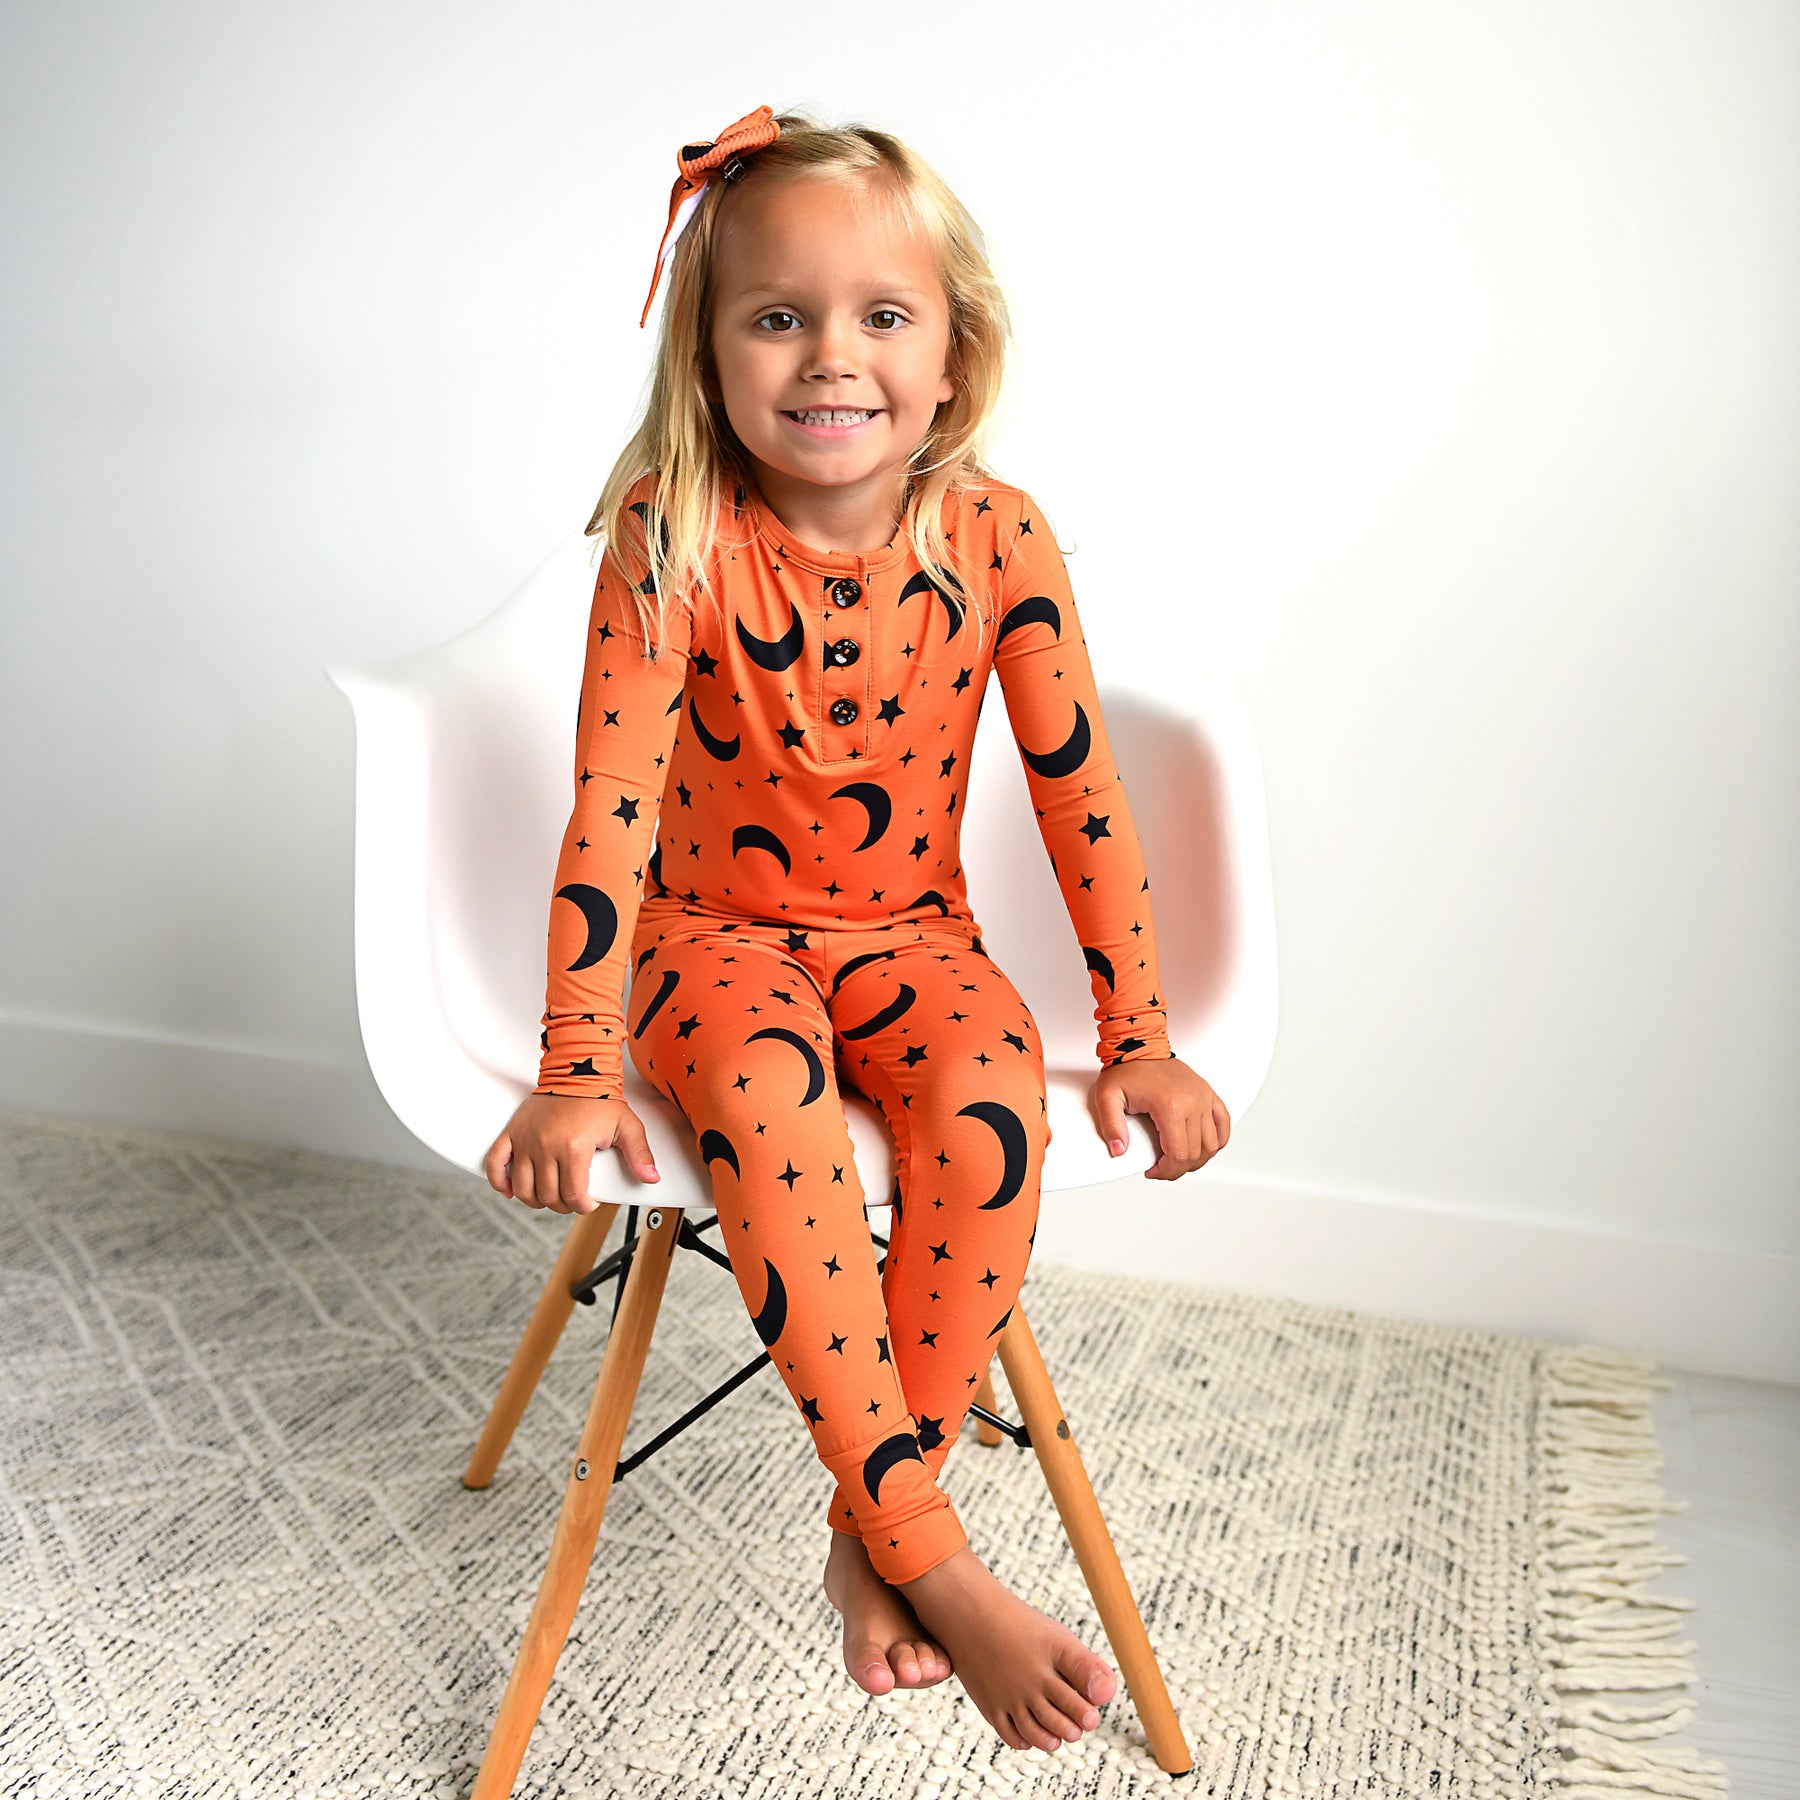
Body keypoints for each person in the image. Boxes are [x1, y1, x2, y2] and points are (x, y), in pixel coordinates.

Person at [483, 104, 1231, 1758]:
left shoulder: (998, 538)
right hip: (706, 939)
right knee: (771, 1103)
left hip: (911, 936)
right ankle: (931, 1555)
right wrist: (574, 1067)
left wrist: (1140, 1036)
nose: (833, 355)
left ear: (954, 359)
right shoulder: (672, 538)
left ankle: (867, 1532)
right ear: (708, 357)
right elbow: (609, 814)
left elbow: (1082, 797)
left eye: (883, 314)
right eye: (778, 315)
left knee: (987, 1109)